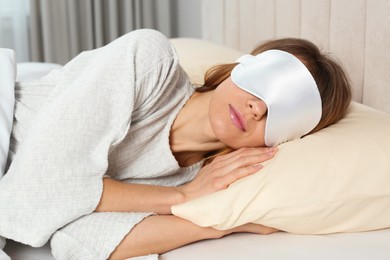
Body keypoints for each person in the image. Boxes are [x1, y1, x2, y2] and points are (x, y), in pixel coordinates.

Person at [4, 29, 351, 259]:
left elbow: (78, 241)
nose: (259, 107)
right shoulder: (149, 61)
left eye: (285, 111)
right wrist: (181, 199)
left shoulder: (199, 182)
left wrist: (219, 223)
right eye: (269, 83)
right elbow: (39, 189)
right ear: (240, 67)